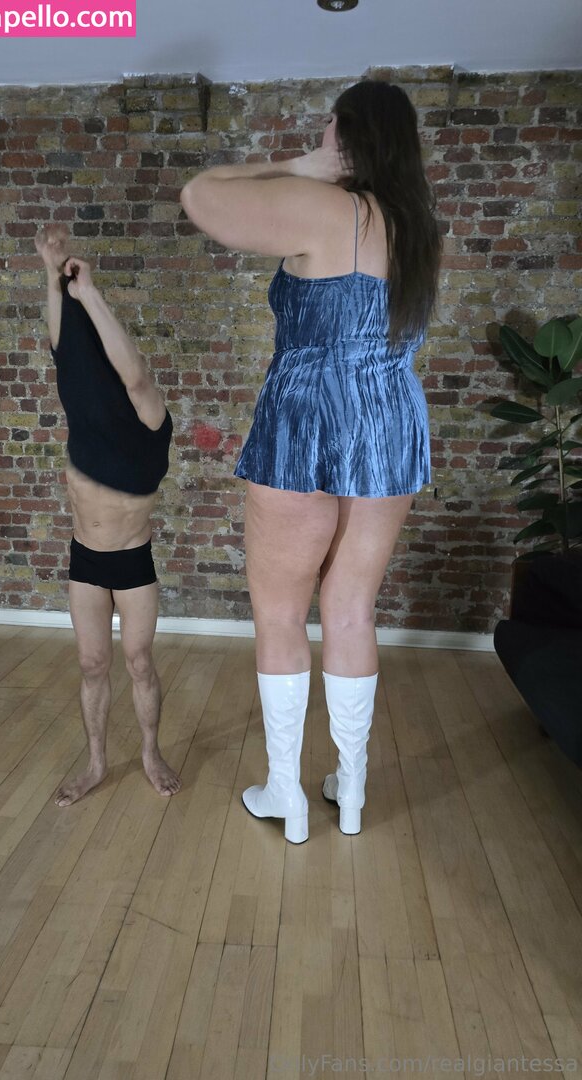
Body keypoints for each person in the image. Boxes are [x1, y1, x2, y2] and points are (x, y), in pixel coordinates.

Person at [181, 79, 440, 842]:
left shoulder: (324, 207)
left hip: (305, 417)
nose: (321, 139)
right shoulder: (422, 230)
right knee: (352, 607)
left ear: (350, 137)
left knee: (280, 613)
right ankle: (350, 791)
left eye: (328, 128)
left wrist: (298, 165)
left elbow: (199, 194)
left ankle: (286, 793)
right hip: (389, 420)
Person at [35, 225, 182, 806]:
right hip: (86, 561)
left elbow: (137, 375)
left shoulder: (151, 421)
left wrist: (88, 291)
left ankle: (149, 752)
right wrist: (52, 275)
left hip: (132, 561)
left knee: (139, 662)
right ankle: (96, 762)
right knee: (93, 663)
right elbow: (61, 349)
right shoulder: (87, 418)